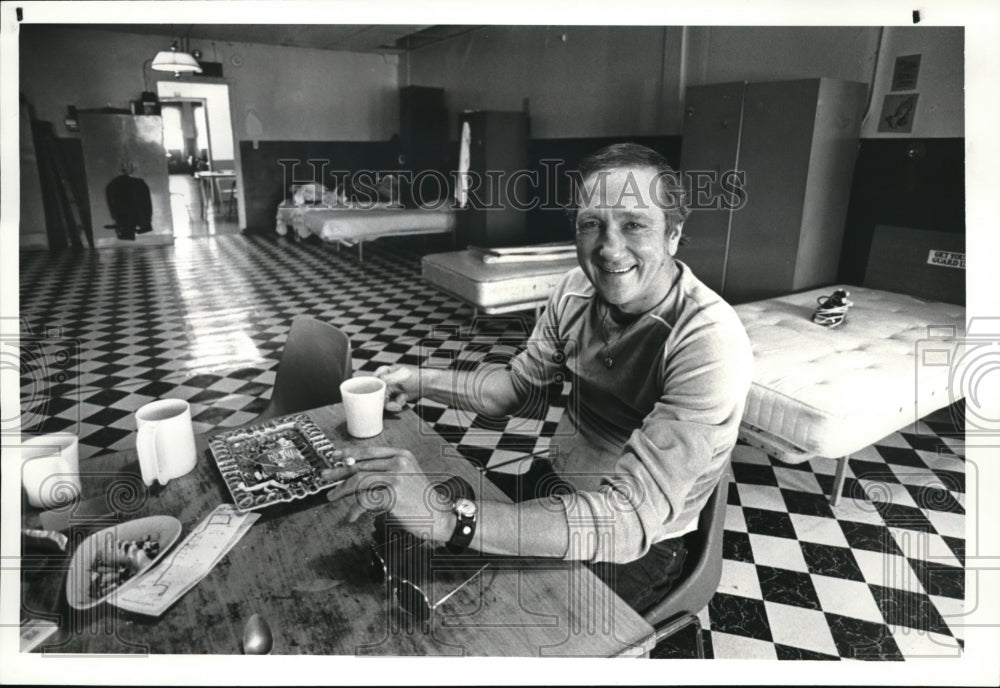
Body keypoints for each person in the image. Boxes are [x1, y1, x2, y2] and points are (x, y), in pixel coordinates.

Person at [322, 143, 753, 614]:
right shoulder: (573, 292)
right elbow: (511, 390)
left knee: (503, 622)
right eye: (591, 224)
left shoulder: (707, 339)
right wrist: (417, 379)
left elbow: (629, 520)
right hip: (552, 484)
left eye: (633, 224)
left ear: (673, 234)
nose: (609, 248)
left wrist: (449, 520)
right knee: (403, 568)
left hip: (641, 543)